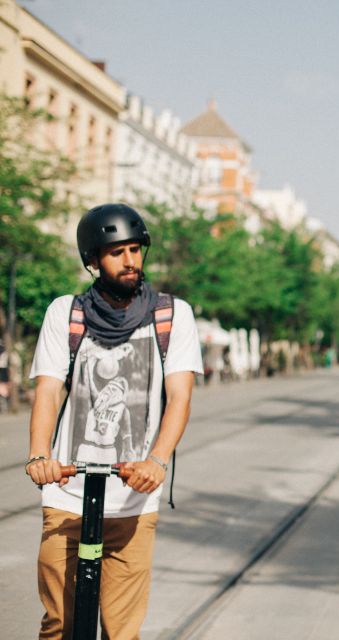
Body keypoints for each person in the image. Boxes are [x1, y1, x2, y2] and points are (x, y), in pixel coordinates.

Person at [24, 203, 203, 639]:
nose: (130, 260)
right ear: (92, 261)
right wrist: (39, 455)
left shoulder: (172, 315)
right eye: (116, 252)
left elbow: (180, 395)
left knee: (122, 631)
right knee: (59, 624)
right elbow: (48, 390)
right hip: (68, 495)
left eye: (135, 249)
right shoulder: (65, 314)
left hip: (134, 502)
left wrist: (157, 461)